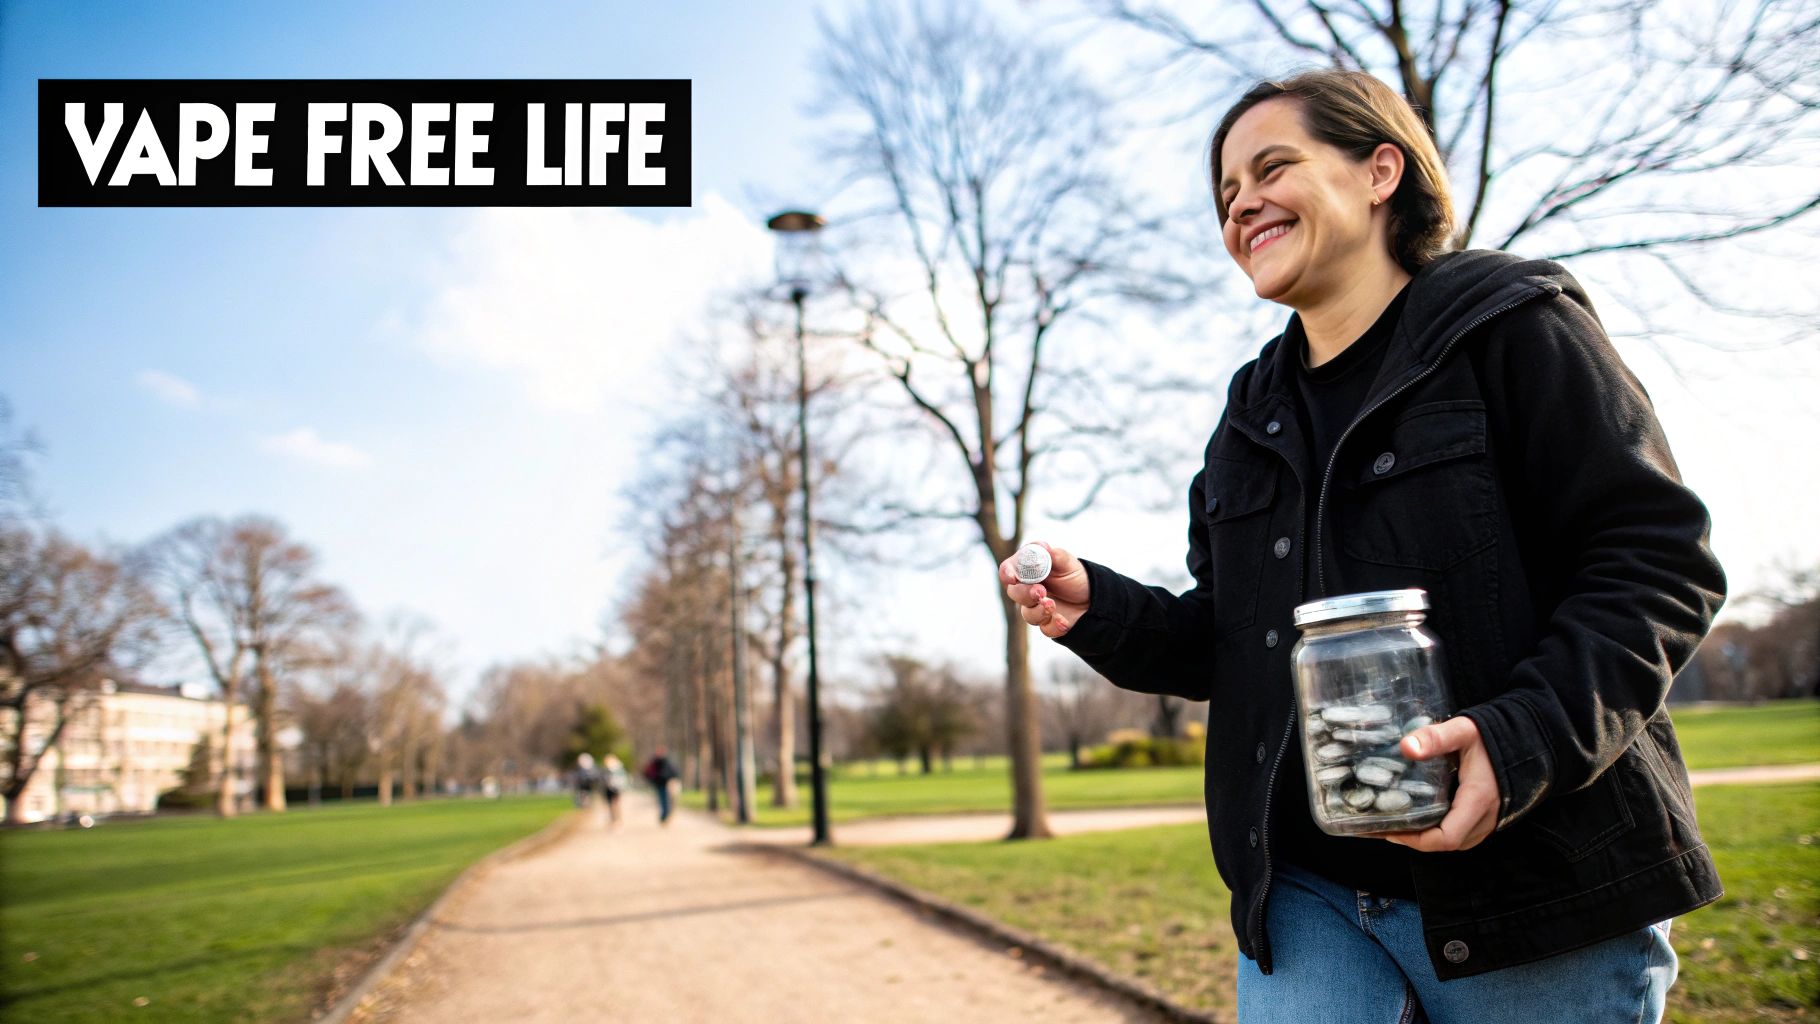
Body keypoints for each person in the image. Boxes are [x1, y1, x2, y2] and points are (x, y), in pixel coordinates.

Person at [1000, 69, 1724, 1023]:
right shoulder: (1249, 414)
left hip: (1538, 895)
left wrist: (1522, 742)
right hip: (1306, 901)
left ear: (1381, 170)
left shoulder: (1514, 328)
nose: (1242, 203)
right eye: (1226, 193)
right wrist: (1107, 611)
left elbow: (1658, 559)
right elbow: (1236, 639)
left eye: (1272, 168)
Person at [642, 747, 680, 826]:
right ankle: (664, 815)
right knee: (663, 800)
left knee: (666, 800)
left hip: (666, 783)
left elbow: (673, 772)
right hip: (660, 783)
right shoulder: (657, 761)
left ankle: (665, 815)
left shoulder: (665, 761)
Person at [600, 753, 629, 829]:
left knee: (616, 805)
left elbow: (623, 779)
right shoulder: (605, 768)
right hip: (608, 789)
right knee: (611, 805)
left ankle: (617, 820)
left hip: (616, 789)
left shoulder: (618, 768)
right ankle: (613, 820)